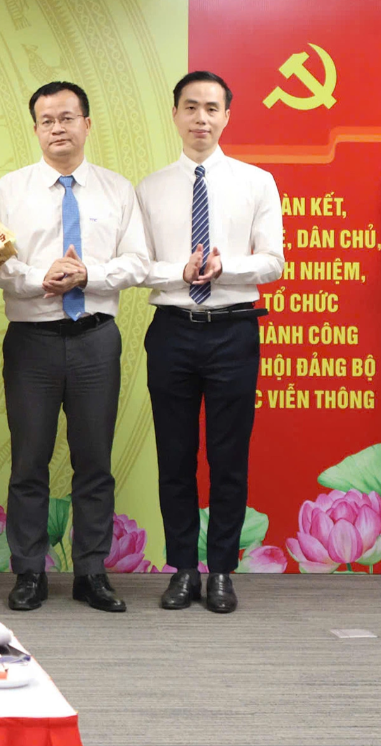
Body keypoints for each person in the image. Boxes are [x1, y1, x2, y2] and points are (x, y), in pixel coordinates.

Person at [0, 81, 150, 613]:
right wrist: (40, 278)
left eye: (67, 118)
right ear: (36, 129)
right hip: (31, 341)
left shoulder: (117, 189)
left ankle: (91, 573)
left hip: (95, 339)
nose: (57, 128)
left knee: (94, 461)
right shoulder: (10, 189)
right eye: (46, 120)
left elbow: (137, 262)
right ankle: (29, 572)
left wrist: (88, 275)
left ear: (86, 124)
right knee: (28, 461)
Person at [137, 71, 282, 614]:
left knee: (228, 458)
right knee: (174, 457)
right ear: (175, 114)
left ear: (227, 116)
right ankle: (182, 569)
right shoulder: (150, 188)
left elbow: (273, 261)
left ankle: (221, 570)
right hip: (172, 330)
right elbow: (138, 266)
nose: (201, 118)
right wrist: (180, 270)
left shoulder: (256, 181)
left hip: (234, 330)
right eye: (191, 107)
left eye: (212, 108)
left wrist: (227, 267)